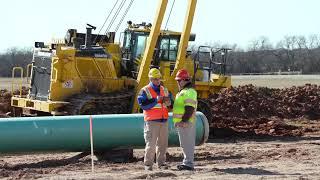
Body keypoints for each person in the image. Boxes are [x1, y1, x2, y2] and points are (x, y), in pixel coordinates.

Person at [137, 68, 172, 171]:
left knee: (163, 144)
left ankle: (161, 163)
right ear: (151, 79)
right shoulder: (145, 90)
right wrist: (155, 100)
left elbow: (170, 103)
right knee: (151, 145)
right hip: (152, 121)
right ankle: (148, 164)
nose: (158, 81)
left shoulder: (164, 90)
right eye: (156, 79)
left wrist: (169, 103)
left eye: (159, 79)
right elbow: (143, 105)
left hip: (163, 120)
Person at [172, 69, 198, 171]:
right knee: (185, 143)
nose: (177, 83)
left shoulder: (189, 92)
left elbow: (189, 108)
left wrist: (184, 121)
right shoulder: (183, 92)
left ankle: (188, 164)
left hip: (185, 123)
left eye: (179, 81)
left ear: (185, 80)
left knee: (187, 143)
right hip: (182, 123)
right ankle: (187, 162)